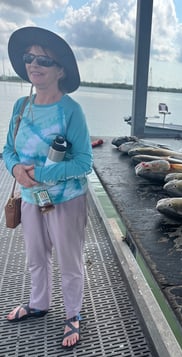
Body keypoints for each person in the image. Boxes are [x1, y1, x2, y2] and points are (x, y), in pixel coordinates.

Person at [3, 26, 93, 349]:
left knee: (70, 261)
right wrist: (16, 168)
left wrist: (42, 173)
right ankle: (39, 302)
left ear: (61, 71)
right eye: (29, 58)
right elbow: (7, 149)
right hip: (29, 198)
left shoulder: (71, 111)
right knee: (36, 256)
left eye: (43, 59)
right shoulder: (20, 106)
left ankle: (73, 314)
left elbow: (85, 162)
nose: (34, 64)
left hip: (66, 200)